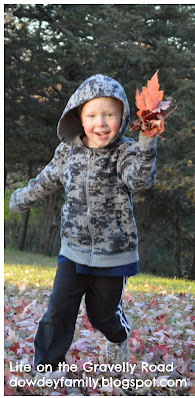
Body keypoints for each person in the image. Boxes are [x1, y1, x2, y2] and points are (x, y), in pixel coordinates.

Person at [9, 74, 157, 371]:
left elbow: (141, 180)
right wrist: (22, 197)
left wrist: (147, 140)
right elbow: (46, 179)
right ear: (80, 117)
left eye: (109, 115)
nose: (100, 123)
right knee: (58, 311)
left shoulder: (125, 151)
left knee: (102, 316)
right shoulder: (68, 151)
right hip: (73, 249)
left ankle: (118, 336)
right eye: (92, 115)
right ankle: (47, 367)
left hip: (114, 252)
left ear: (122, 116)